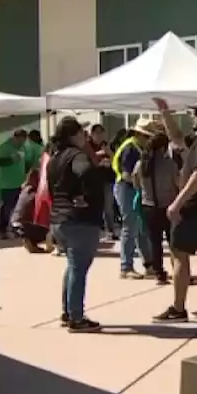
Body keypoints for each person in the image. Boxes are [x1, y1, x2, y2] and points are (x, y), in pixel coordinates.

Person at [152, 96, 197, 323]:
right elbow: (177, 139)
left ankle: (178, 307)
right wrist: (165, 114)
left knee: (179, 255)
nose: (194, 116)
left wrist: (177, 203)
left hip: (193, 208)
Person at [47, 116, 107, 333]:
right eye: (82, 133)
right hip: (79, 220)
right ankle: (76, 318)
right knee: (78, 269)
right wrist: (86, 196)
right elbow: (86, 172)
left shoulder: (55, 158)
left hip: (59, 220)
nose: (85, 136)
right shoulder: (77, 155)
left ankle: (68, 312)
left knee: (73, 267)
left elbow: (53, 189)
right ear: (74, 135)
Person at [133, 129, 180, 286]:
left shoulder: (141, 164)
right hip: (168, 206)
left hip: (148, 206)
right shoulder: (169, 164)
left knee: (155, 242)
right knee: (174, 242)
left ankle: (159, 272)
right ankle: (179, 270)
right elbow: (178, 184)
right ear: (163, 148)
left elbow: (136, 183)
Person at [110, 119, 153, 279]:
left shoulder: (137, 147)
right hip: (126, 188)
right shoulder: (130, 148)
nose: (149, 140)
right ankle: (126, 266)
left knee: (141, 227)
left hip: (133, 189)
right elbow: (127, 174)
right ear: (139, 134)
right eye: (147, 136)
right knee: (130, 227)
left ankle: (149, 264)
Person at [0, 129, 29, 240]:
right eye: (21, 140)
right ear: (16, 138)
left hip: (19, 182)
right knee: (6, 208)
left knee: (18, 209)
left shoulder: (22, 148)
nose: (22, 143)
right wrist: (12, 160)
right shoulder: (4, 148)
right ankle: (2, 229)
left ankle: (15, 229)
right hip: (6, 183)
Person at [87, 124, 117, 239]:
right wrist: (99, 161)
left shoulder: (108, 145)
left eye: (101, 133)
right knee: (95, 206)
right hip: (93, 181)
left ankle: (110, 230)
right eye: (96, 133)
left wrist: (109, 153)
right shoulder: (88, 146)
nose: (99, 136)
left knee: (108, 206)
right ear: (92, 134)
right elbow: (87, 159)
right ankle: (97, 230)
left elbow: (116, 160)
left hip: (108, 180)